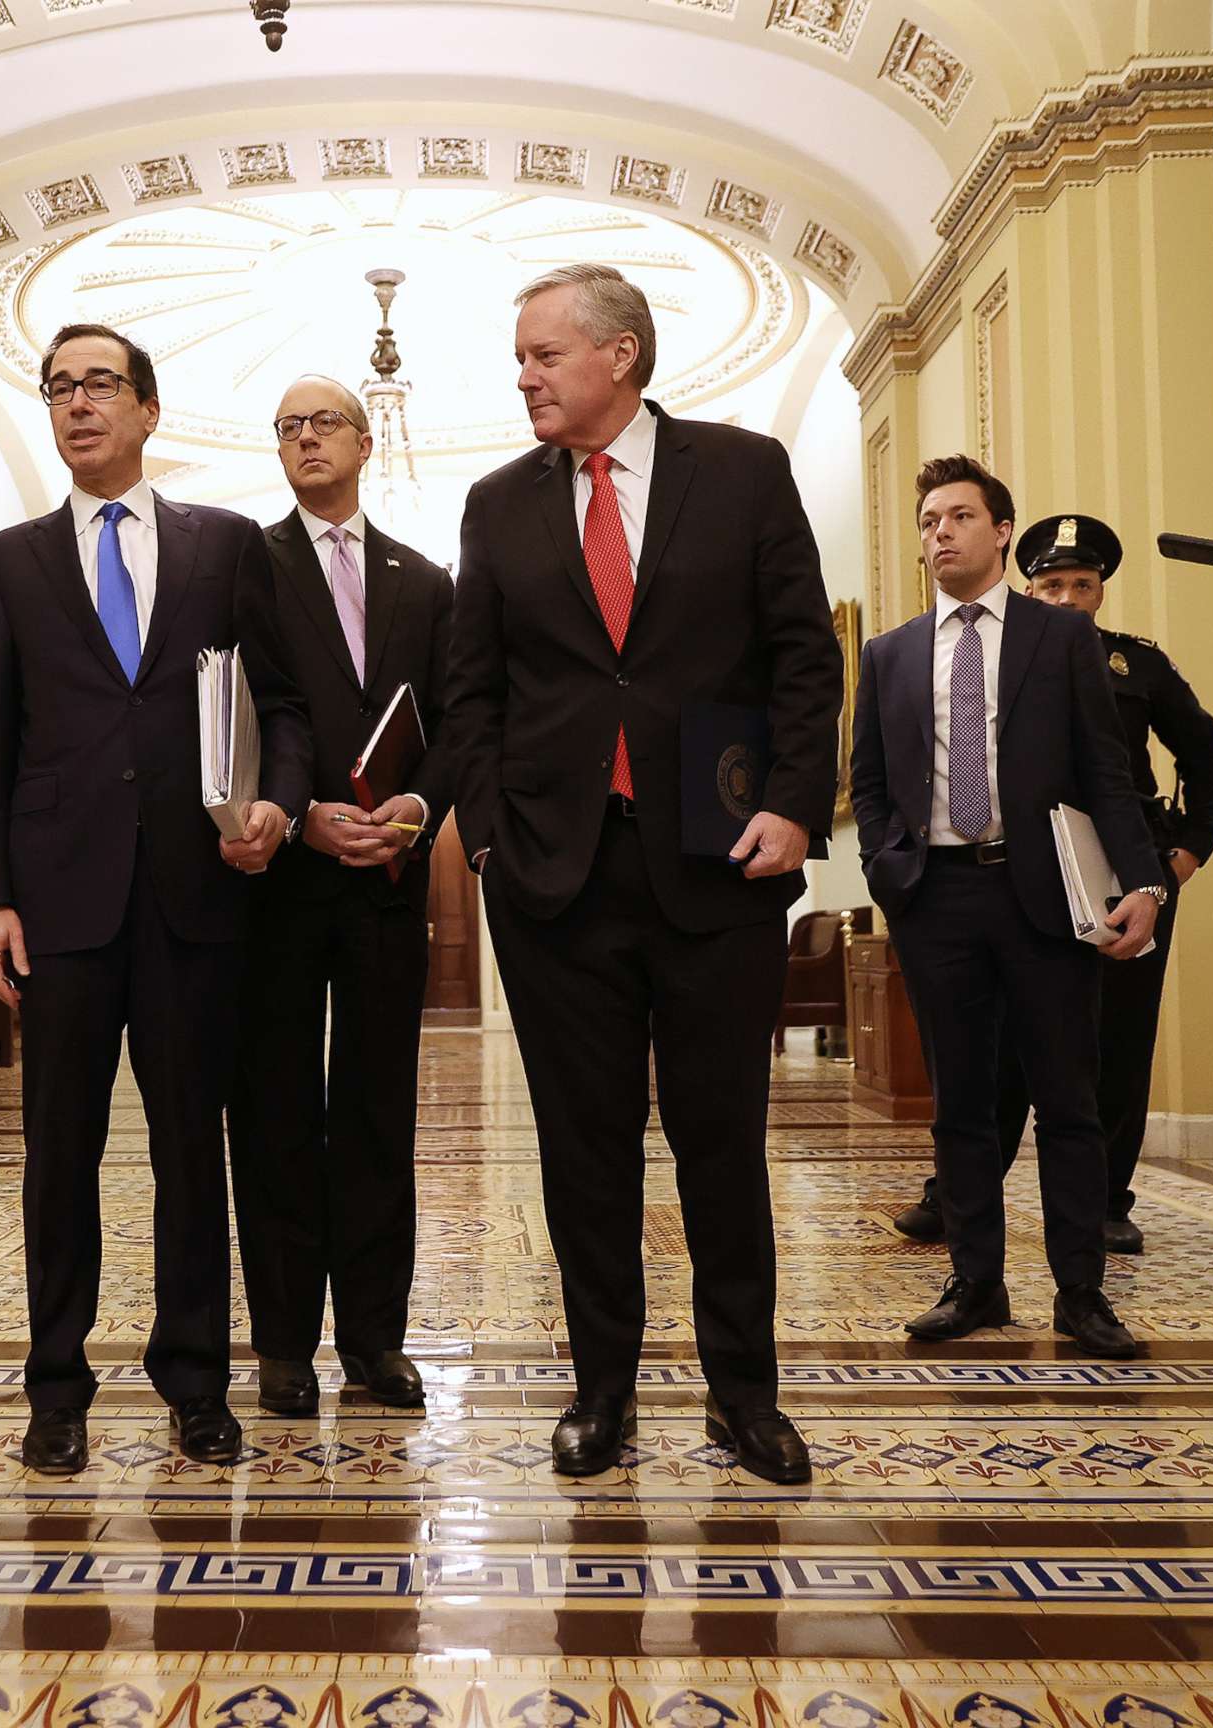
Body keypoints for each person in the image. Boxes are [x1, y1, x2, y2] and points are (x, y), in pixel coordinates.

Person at [442, 264, 841, 1484]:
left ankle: (744, 1396)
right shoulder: (497, 504)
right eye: (520, 358)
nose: (523, 376)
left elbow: (803, 659)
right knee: (586, 1149)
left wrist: (790, 805)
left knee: (723, 1142)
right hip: (557, 878)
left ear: (619, 354)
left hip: (718, 865)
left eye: (542, 354)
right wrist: (495, 839)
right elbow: (473, 692)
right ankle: (601, 1393)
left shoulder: (744, 471)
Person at [0, 323, 308, 1473]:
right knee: (56, 1155)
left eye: (100, 384)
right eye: (57, 388)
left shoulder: (227, 547)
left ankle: (196, 1383)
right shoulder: (3, 562)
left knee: (187, 1153)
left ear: (148, 411)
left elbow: (286, 704)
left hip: (194, 899)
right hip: (58, 909)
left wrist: (278, 806)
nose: (76, 404)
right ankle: (56, 1387)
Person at [850, 457, 1162, 1359]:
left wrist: (1140, 882)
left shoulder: (1058, 639)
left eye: (957, 516)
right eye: (927, 521)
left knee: (1067, 1096)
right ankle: (976, 1284)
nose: (938, 532)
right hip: (936, 897)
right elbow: (868, 780)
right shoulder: (891, 653)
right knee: (963, 1107)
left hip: (1041, 897)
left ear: (999, 531)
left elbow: (1106, 771)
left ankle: (1080, 1293)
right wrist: (889, 869)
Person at [892, 514, 1213, 1255]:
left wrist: (1183, 855)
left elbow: (1204, 758)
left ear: (1101, 591)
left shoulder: (1136, 666)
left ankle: (1106, 1200)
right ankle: (957, 1194)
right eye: (1052, 584)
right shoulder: (1000, 655)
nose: (1069, 597)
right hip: (1027, 864)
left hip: (1122, 867)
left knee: (1118, 1036)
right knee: (1000, 1037)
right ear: (1029, 586)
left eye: (1083, 584)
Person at [230, 375, 454, 1418]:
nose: (305, 438)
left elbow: (456, 726)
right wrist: (296, 807)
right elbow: (233, 706)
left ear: (369, 442)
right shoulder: (244, 565)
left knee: (376, 1114)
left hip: (384, 887)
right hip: (277, 882)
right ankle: (282, 1344)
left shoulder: (425, 579)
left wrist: (415, 804)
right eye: (288, 428)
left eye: (322, 424)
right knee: (275, 1109)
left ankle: (374, 1339)